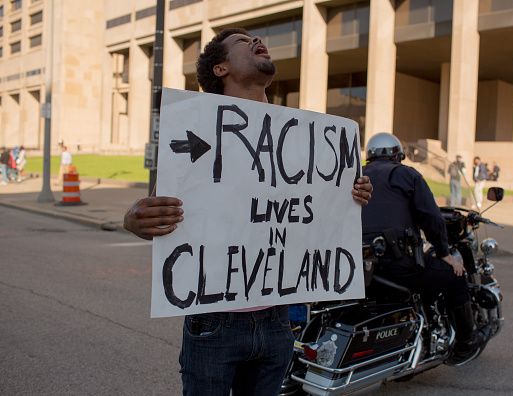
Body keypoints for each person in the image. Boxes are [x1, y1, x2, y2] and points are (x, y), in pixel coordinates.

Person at [123, 28, 373, 396]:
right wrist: (134, 219)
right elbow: (160, 211)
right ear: (221, 69)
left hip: (277, 321)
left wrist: (351, 195)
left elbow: (314, 217)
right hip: (214, 321)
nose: (257, 40)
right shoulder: (197, 125)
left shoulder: (306, 137)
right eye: (242, 41)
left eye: (256, 38)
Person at [361, 132, 484, 363]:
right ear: (398, 155)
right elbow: (431, 217)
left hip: (359, 265)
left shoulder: (356, 176)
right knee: (454, 276)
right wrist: (445, 253)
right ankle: (468, 340)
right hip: (397, 264)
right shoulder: (406, 174)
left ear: (370, 155)